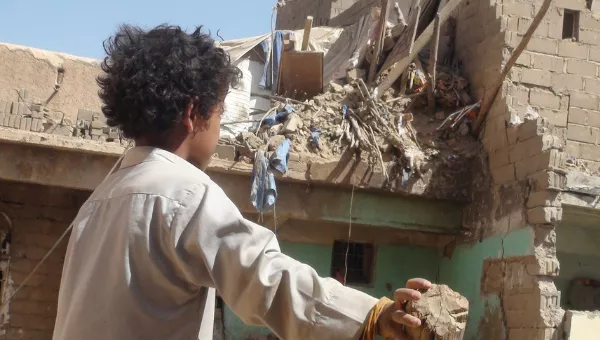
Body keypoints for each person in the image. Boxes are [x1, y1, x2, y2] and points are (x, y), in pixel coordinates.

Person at [52, 24, 431, 340]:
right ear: (192, 114)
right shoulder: (183, 193)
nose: (218, 129)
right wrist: (374, 315)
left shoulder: (99, 201)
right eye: (218, 113)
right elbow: (265, 278)